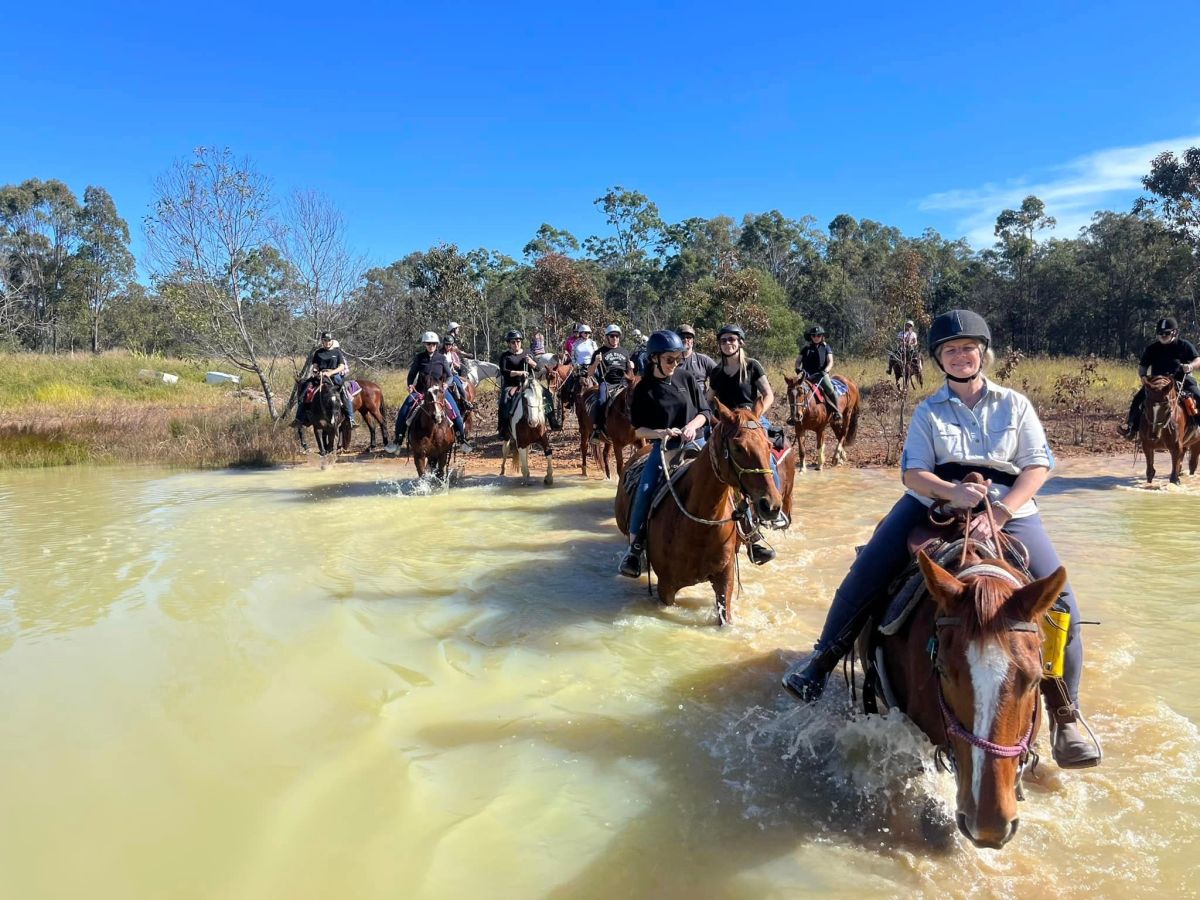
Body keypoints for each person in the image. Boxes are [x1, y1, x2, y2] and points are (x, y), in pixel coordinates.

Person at [781, 309, 1100, 769]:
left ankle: (1065, 715)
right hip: (936, 498)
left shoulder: (1015, 404)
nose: (960, 356)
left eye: (968, 348)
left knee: (1062, 600)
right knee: (872, 564)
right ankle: (820, 662)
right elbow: (913, 472)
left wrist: (1003, 510)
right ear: (939, 359)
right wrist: (952, 492)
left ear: (982, 353)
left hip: (1010, 506)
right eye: (950, 350)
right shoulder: (929, 409)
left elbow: (1037, 465)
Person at [619, 330, 713, 578]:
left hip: (697, 442)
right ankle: (635, 549)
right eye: (669, 359)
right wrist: (662, 433)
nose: (675, 364)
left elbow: (705, 411)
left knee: (727, 476)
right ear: (654, 359)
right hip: (666, 448)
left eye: (678, 359)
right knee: (646, 489)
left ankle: (750, 534)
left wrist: (693, 426)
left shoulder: (688, 378)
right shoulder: (644, 389)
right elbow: (638, 429)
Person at [706, 323, 781, 564]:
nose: (728, 344)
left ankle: (775, 508)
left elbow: (768, 394)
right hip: (727, 423)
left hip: (752, 419)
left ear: (740, 343)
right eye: (724, 340)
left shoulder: (752, 366)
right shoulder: (717, 372)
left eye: (732, 340)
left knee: (765, 457)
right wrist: (712, 416)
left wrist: (757, 417)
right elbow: (709, 400)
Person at [1118, 316, 1200, 438]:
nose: (1163, 335)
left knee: (1198, 395)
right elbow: (1142, 367)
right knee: (1137, 399)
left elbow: (1197, 359)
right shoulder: (1152, 349)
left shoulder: (1184, 345)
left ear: (1175, 332)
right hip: (1156, 383)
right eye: (1160, 333)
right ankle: (1131, 428)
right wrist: (1143, 377)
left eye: (1166, 333)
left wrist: (1190, 366)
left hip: (1181, 379)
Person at [392, 332, 471, 450]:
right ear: (425, 344)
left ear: (437, 345)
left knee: (455, 412)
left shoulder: (442, 358)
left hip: (439, 391)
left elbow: (449, 376)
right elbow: (412, 374)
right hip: (421, 391)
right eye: (429, 344)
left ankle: (461, 438)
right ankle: (398, 440)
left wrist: (446, 384)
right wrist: (410, 385)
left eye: (434, 344)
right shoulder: (419, 358)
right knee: (404, 410)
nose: (431, 346)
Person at [497, 329, 561, 437]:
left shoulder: (527, 353)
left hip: (528, 383)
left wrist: (531, 363)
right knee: (504, 401)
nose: (516, 344)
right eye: (513, 342)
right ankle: (503, 428)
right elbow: (504, 371)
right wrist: (519, 372)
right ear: (509, 343)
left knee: (546, 393)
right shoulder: (505, 356)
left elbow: (539, 368)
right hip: (511, 384)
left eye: (518, 341)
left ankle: (552, 420)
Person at [296, 331, 356, 426]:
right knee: (305, 389)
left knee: (344, 391)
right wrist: (316, 372)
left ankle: (350, 418)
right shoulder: (318, 353)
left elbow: (341, 366)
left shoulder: (337, 352)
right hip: (320, 375)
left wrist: (331, 372)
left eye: (329, 340)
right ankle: (300, 418)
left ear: (331, 341)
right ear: (322, 341)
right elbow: (315, 366)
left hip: (334, 375)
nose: (327, 342)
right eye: (325, 340)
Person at [587, 324, 632, 438]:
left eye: (617, 336)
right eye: (612, 336)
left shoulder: (624, 352)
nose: (615, 338)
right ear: (607, 337)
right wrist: (596, 363)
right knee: (601, 401)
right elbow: (590, 373)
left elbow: (629, 371)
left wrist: (632, 373)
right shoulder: (600, 352)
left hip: (623, 383)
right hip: (607, 383)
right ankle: (597, 429)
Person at [795, 325, 842, 423]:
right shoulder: (806, 348)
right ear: (811, 337)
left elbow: (830, 361)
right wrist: (798, 369)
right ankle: (793, 414)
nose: (816, 337)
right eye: (813, 335)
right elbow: (798, 361)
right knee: (794, 390)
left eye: (818, 335)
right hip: (806, 375)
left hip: (820, 375)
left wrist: (826, 370)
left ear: (822, 336)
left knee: (830, 389)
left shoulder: (826, 347)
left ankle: (837, 412)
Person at [562, 325, 598, 405]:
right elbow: (573, 355)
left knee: (600, 381)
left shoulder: (593, 343)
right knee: (569, 382)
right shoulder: (576, 344)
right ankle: (570, 400)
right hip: (579, 367)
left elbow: (596, 355)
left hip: (591, 366)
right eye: (585, 332)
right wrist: (575, 364)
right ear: (581, 333)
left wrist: (594, 364)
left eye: (588, 333)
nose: (587, 334)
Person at [676, 324, 716, 395]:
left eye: (689, 337)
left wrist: (710, 394)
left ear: (693, 341)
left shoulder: (703, 359)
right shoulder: (671, 361)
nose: (685, 340)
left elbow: (720, 375)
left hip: (700, 403)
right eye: (682, 337)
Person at [440, 333, 475, 413]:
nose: (448, 346)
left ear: (452, 345)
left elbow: (458, 365)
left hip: (452, 374)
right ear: (444, 344)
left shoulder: (453, 354)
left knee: (460, 386)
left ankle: (466, 402)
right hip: (442, 375)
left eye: (450, 345)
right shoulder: (440, 354)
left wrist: (455, 364)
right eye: (447, 344)